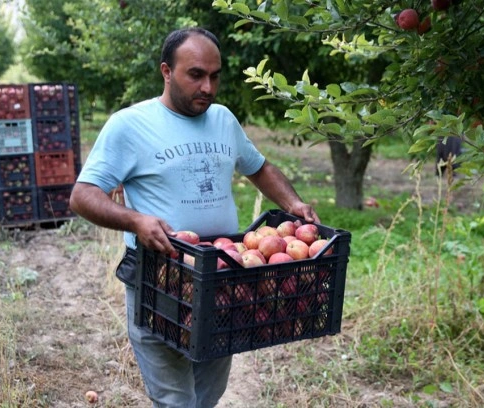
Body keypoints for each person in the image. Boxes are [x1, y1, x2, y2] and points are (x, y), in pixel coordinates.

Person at [69, 27, 319, 408]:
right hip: (163, 277)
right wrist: (136, 221)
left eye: (215, 76)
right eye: (196, 74)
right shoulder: (129, 125)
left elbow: (259, 167)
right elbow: (82, 195)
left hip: (224, 273)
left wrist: (293, 203)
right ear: (166, 72)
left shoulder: (223, 120)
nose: (208, 87)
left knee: (208, 393)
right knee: (175, 398)